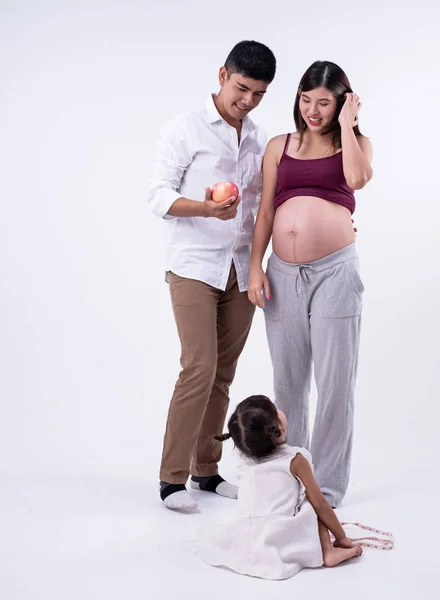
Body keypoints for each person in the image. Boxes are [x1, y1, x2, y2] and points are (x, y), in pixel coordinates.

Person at [147, 41, 277, 510]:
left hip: (241, 270)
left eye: (259, 94)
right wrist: (205, 207)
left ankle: (207, 470)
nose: (247, 100)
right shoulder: (186, 127)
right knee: (198, 368)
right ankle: (171, 478)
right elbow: (157, 195)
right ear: (223, 75)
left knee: (223, 374)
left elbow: (265, 205)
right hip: (194, 266)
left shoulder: (262, 139)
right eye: (242, 88)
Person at [247, 61, 373, 508]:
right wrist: (255, 267)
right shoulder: (280, 145)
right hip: (281, 274)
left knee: (336, 384)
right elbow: (264, 213)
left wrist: (348, 125)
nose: (313, 110)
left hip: (336, 274)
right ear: (297, 98)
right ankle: (289, 478)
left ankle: (330, 489)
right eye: (306, 99)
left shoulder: (356, 146)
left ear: (341, 102)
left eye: (325, 101)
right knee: (289, 384)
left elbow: (357, 179)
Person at [195, 395, 363, 580]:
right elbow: (322, 505)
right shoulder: (295, 459)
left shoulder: (246, 460)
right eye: (275, 410)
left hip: (246, 532)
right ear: (279, 429)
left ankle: (324, 548)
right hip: (281, 534)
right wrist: (342, 538)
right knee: (312, 499)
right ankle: (328, 550)